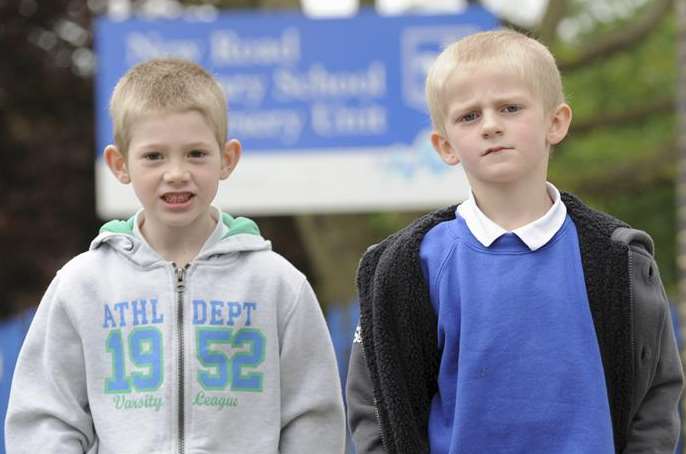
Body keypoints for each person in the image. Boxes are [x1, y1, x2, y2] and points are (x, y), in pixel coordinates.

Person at [346, 29, 683, 454]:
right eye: (469, 116)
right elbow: (374, 401)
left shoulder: (617, 259)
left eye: (509, 108)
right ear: (445, 145)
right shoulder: (410, 267)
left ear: (555, 122)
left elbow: (657, 394)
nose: (490, 125)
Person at [5, 58, 346, 454]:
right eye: (154, 156)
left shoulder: (277, 284)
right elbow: (46, 416)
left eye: (196, 154)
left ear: (228, 159)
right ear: (120, 164)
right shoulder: (82, 285)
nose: (176, 173)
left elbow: (313, 416)